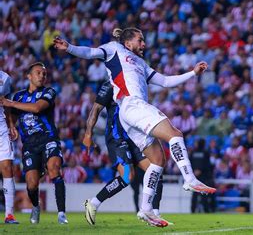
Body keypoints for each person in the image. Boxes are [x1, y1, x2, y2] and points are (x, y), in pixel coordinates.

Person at [53, 28, 216, 226]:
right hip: (131, 105)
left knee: (157, 161)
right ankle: (189, 179)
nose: (144, 44)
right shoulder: (114, 49)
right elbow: (90, 52)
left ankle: (146, 209)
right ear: (128, 42)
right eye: (140, 40)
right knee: (175, 134)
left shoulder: (141, 63)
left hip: (130, 115)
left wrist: (192, 73)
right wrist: (68, 47)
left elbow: (165, 81)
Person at [83, 81, 171, 227]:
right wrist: (88, 134)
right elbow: (95, 110)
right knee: (128, 177)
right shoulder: (110, 85)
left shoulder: (138, 85)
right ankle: (93, 203)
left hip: (135, 136)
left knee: (156, 170)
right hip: (117, 137)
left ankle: (154, 214)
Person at [0, 63, 68, 224]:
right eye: (38, 73)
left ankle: (61, 214)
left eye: (44, 74)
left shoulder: (49, 92)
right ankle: (36, 206)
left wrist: (10, 103)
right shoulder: (18, 96)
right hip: (29, 144)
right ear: (29, 76)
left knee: (54, 169)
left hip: (48, 139)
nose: (42, 76)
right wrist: (11, 126)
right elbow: (13, 117)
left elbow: (37, 108)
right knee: (31, 184)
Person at [0, 70, 19, 224]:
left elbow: (5, 103)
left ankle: (9, 214)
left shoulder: (5, 78)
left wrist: (11, 125)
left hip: (1, 128)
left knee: (7, 168)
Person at [189, 139, 215, 213]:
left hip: (201, 176)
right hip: (199, 176)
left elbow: (207, 164)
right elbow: (208, 164)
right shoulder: (204, 152)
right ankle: (195, 211)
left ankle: (199, 211)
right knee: (198, 195)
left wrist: (197, 170)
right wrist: (197, 170)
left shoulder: (195, 152)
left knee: (198, 195)